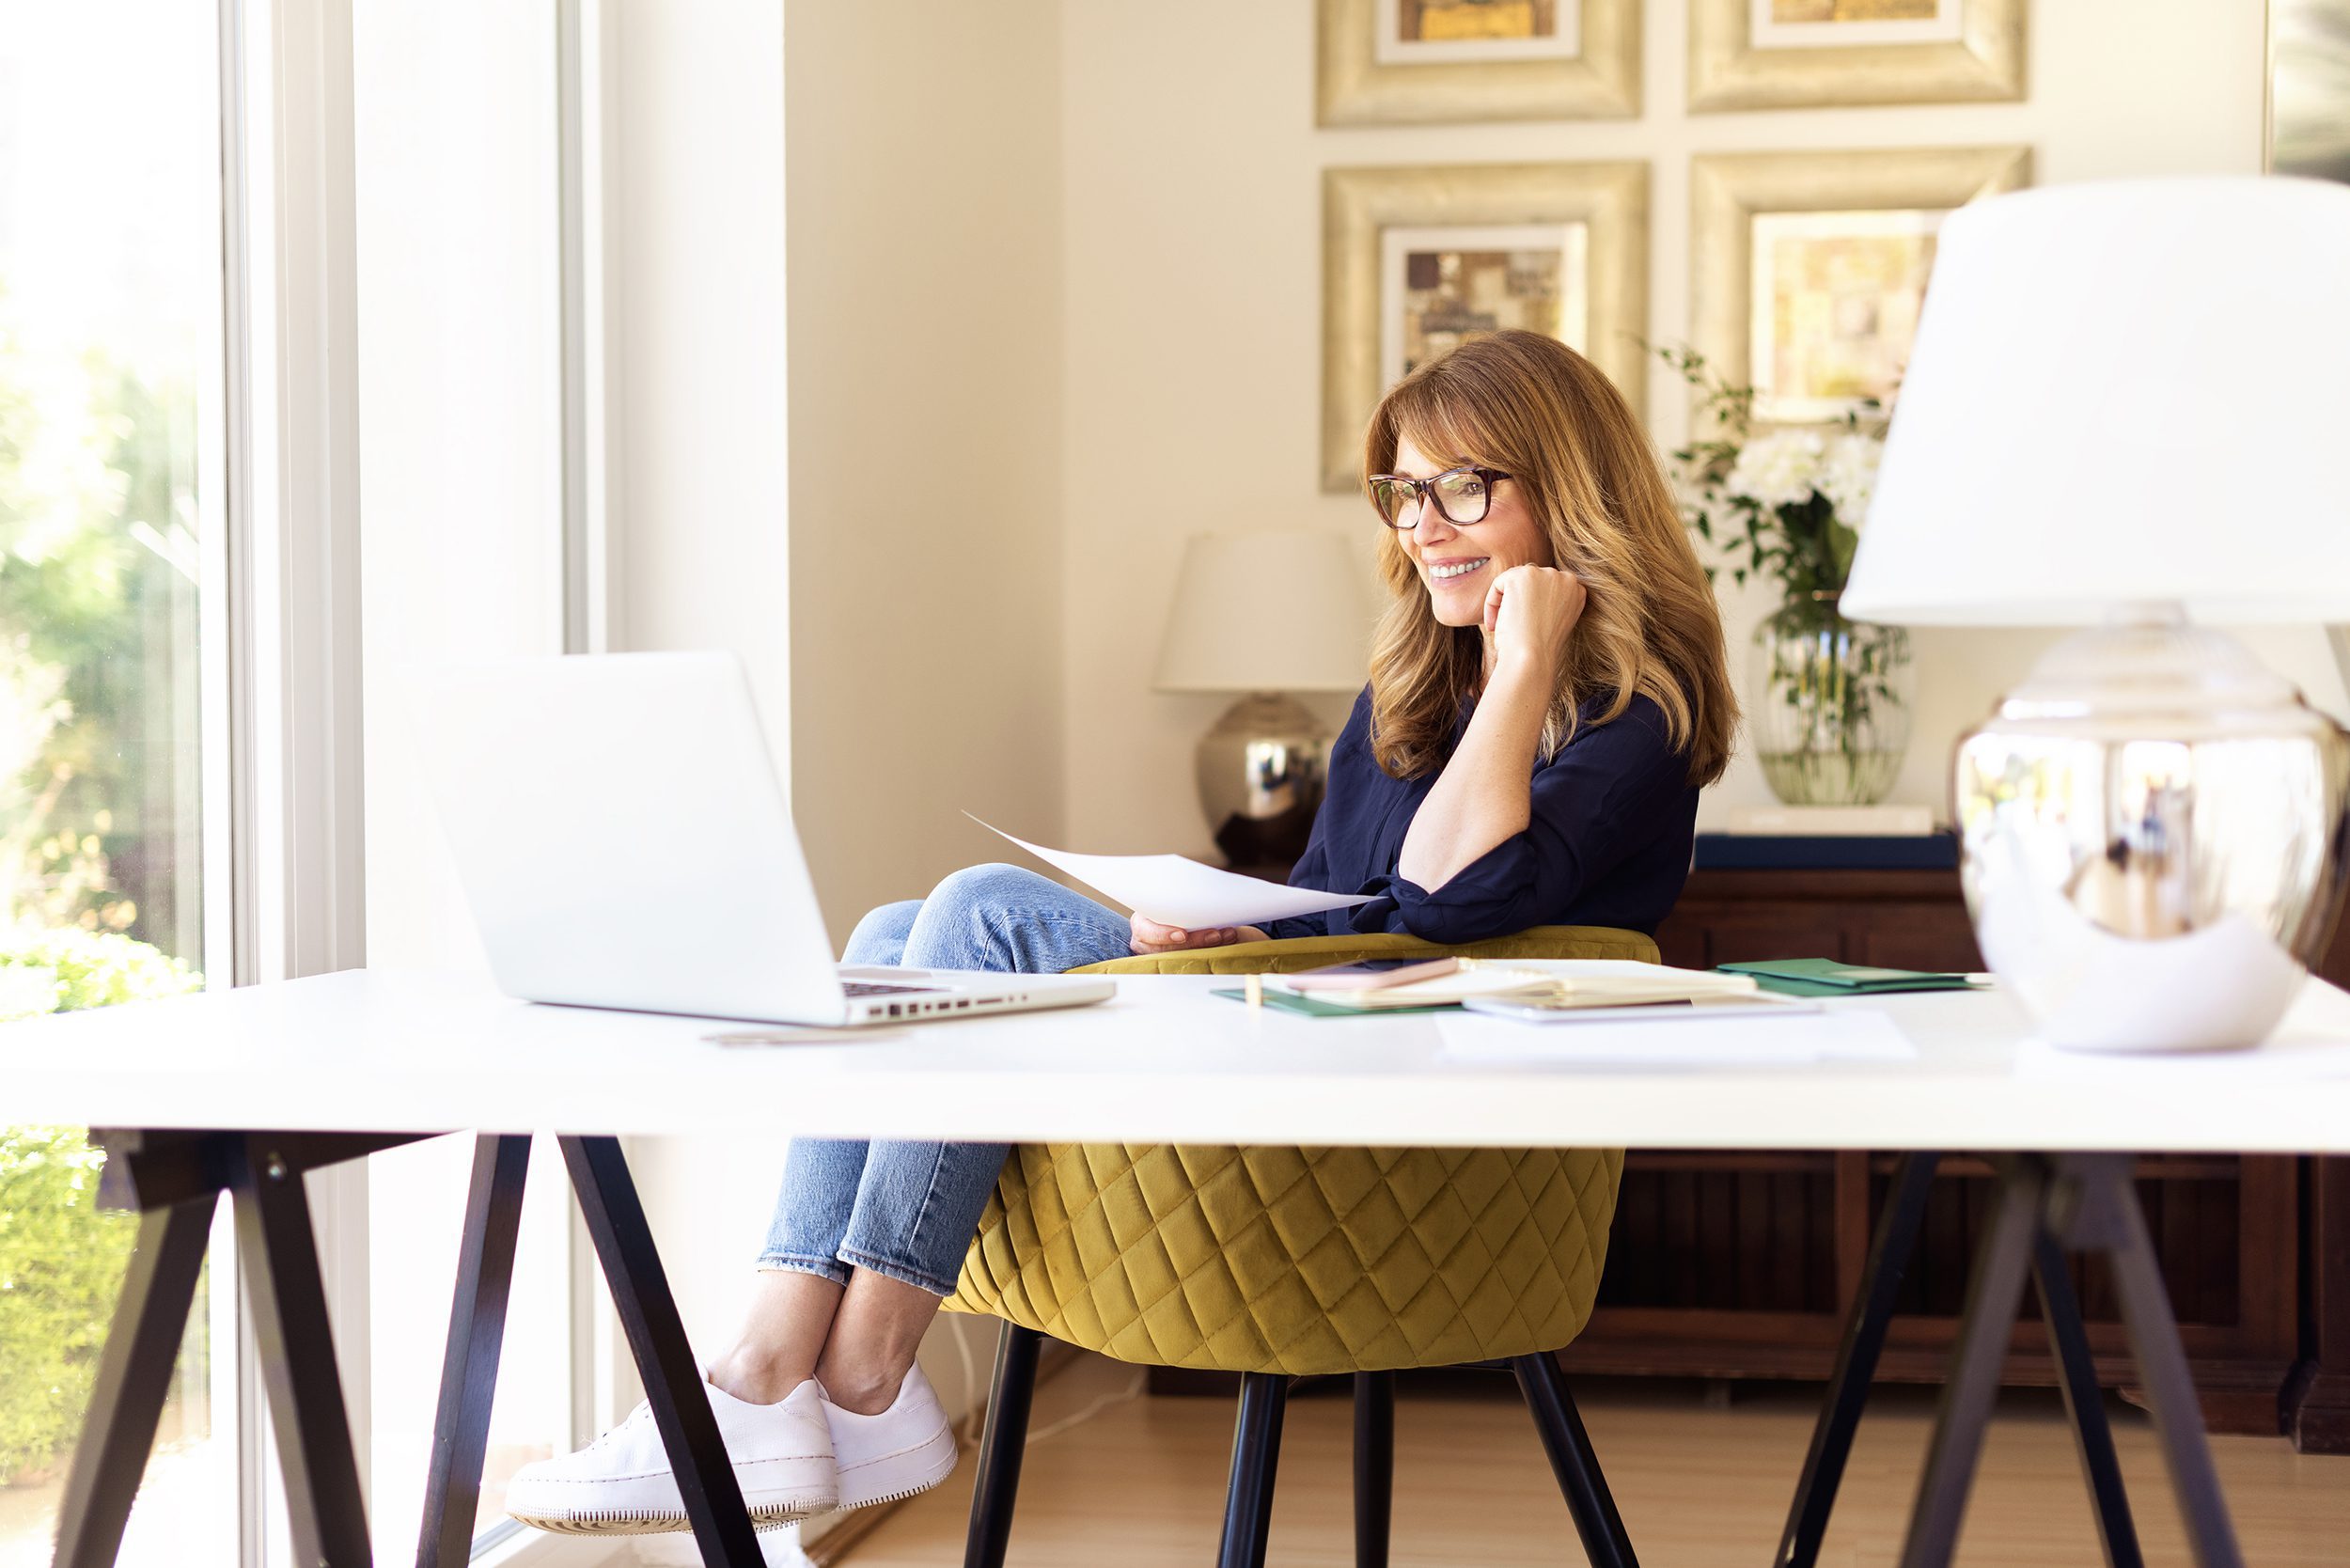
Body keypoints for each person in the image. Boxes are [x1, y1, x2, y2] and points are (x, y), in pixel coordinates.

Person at [503, 328, 1738, 1533]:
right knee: (894, 930)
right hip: (1304, 1024)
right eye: (1403, 494)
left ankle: (846, 1369)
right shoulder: (1407, 695)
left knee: (975, 917)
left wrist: (1525, 670)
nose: (1420, 528)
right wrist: (1229, 936)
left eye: (1459, 489)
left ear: (1568, 490)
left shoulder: (1638, 714)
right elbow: (1327, 897)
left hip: (1409, 1118)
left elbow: (1450, 904)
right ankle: (791, 1365)